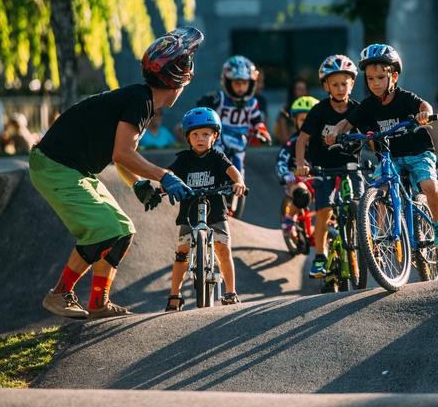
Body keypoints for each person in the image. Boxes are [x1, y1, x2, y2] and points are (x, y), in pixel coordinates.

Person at [30, 27, 204, 319]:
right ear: (178, 81)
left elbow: (121, 152)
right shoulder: (142, 101)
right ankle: (60, 293)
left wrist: (137, 185)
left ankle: (99, 302)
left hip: (74, 169)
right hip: (56, 166)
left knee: (123, 230)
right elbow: (121, 153)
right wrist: (165, 176)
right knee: (104, 230)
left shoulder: (140, 100)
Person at [327, 43, 438, 247]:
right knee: (377, 188)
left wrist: (424, 115)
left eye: (380, 78)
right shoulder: (368, 105)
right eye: (370, 79)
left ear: (393, 77)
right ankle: (382, 236)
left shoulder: (404, 98)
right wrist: (335, 131)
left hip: (417, 152)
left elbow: (424, 105)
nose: (375, 84)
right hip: (389, 157)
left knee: (428, 185)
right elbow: (347, 121)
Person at [164, 107, 247, 311]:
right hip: (190, 212)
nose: (200, 138)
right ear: (188, 137)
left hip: (216, 210)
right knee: (181, 253)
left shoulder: (217, 157)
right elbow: (168, 173)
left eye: (205, 134)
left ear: (214, 136)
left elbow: (233, 171)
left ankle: (230, 292)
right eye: (195, 134)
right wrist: (163, 184)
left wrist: (238, 182)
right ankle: (174, 295)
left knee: (224, 249)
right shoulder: (184, 159)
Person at [296, 55, 362, 278]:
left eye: (345, 83)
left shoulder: (358, 110)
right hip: (323, 166)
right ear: (326, 86)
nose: (341, 88)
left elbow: (372, 136)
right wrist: (300, 165)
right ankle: (320, 256)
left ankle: (368, 245)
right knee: (324, 210)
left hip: (351, 164)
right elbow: (302, 140)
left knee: (361, 204)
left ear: (352, 84)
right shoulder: (319, 110)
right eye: (335, 84)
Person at [197, 55, 271, 180]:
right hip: (218, 139)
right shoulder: (219, 98)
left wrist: (262, 132)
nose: (241, 88)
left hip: (239, 142)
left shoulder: (252, 103)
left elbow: (257, 121)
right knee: (214, 162)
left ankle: (237, 192)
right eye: (237, 83)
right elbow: (203, 105)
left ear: (251, 83)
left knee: (239, 170)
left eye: (244, 83)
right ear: (228, 81)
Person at [275, 96, 319, 236]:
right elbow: (281, 161)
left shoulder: (322, 141)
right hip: (296, 179)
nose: (307, 123)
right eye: (302, 119)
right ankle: (289, 219)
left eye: (310, 119)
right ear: (295, 121)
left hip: (319, 179)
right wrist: (285, 174)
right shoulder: (293, 142)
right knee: (302, 195)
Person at [274, 78, 309, 144]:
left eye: (304, 89)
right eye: (299, 89)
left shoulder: (314, 110)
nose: (303, 92)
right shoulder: (284, 112)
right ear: (293, 92)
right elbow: (284, 139)